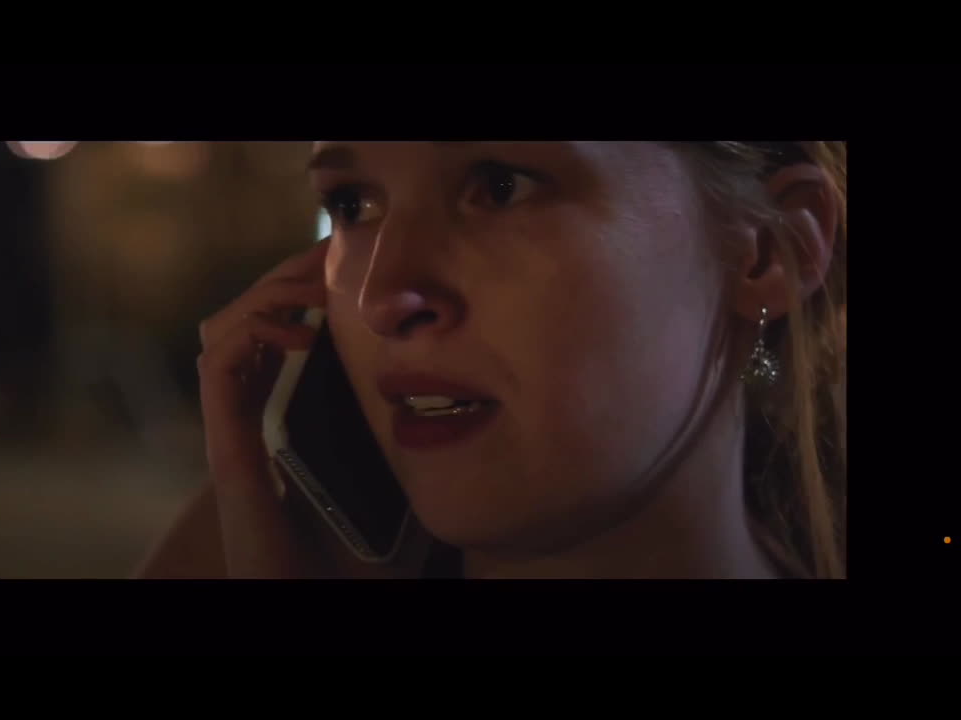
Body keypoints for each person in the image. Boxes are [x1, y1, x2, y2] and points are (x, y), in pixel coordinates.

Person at [138, 141, 847, 579]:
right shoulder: (248, 542)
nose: (383, 297)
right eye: (352, 204)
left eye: (501, 185)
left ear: (767, 249)